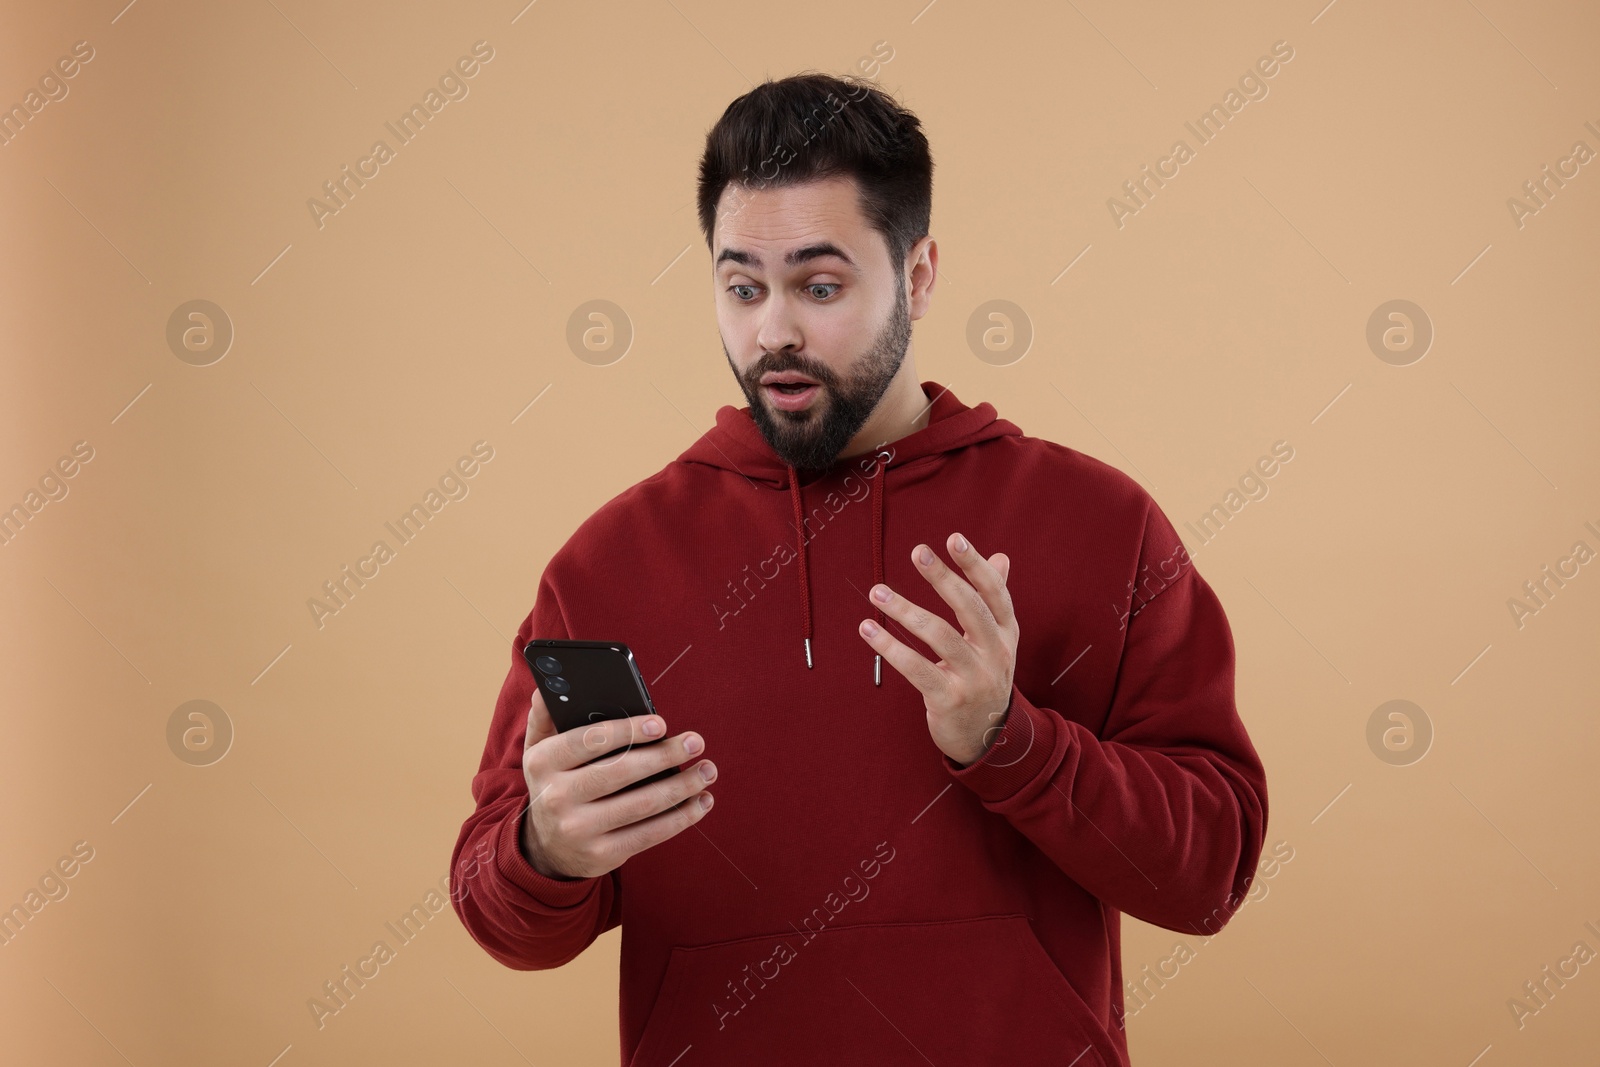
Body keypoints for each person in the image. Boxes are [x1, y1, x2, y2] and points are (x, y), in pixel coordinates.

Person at [450, 70, 1268, 1067]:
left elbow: (1210, 873)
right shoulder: (606, 566)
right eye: (741, 285)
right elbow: (504, 918)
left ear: (918, 275)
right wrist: (548, 850)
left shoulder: (1099, 524)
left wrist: (1012, 742)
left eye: (819, 285)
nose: (773, 331)